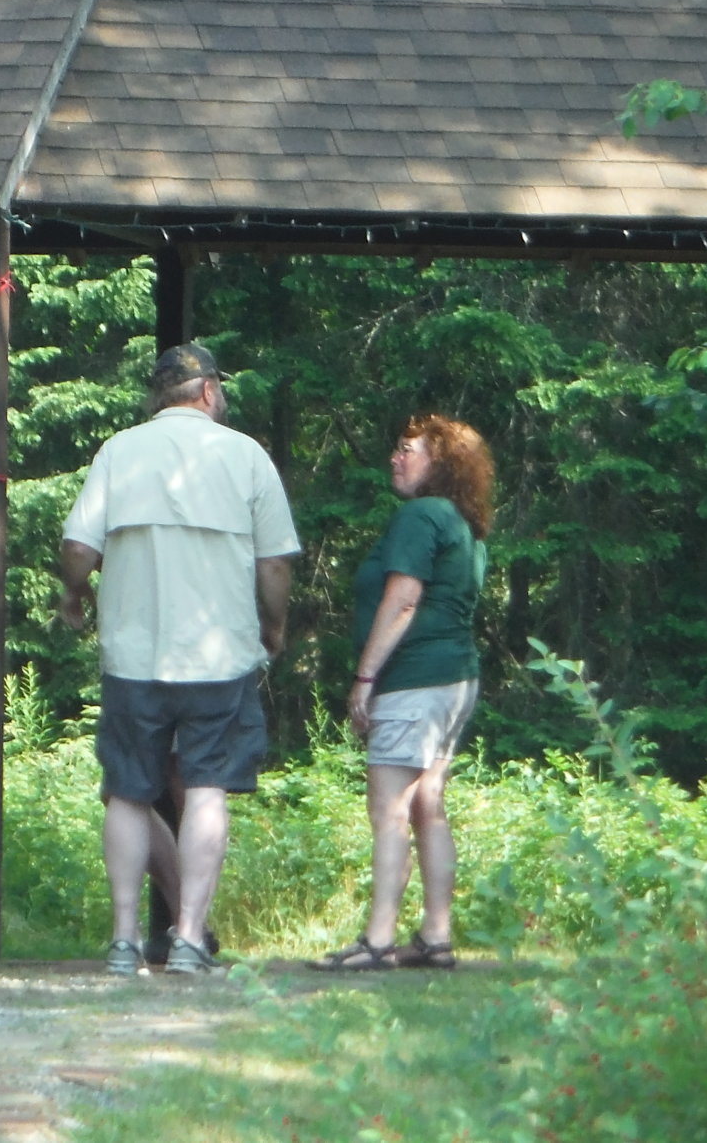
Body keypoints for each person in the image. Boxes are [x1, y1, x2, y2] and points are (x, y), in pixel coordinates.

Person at [58, 343, 300, 976]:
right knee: (207, 789)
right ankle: (190, 938)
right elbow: (274, 564)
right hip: (219, 656)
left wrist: (75, 595)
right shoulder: (246, 456)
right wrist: (273, 627)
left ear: (158, 395)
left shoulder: (119, 451)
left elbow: (79, 548)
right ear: (210, 392)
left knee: (128, 795)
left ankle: (121, 940)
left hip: (134, 654)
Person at [313, 414, 493, 972]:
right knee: (428, 807)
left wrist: (365, 678)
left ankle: (378, 940)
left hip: (414, 680)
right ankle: (435, 937)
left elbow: (404, 600)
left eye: (407, 448)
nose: (395, 457)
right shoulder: (466, 526)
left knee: (388, 810)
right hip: (455, 679)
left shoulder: (421, 515)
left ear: (439, 461)